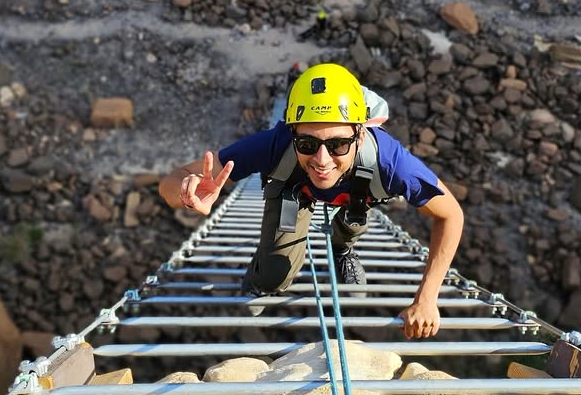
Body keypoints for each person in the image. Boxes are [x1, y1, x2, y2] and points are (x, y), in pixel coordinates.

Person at [158, 63, 464, 339]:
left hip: (355, 192)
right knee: (274, 276)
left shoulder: (390, 163)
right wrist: (188, 193)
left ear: (359, 137)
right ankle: (261, 279)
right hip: (295, 190)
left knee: (354, 216)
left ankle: (342, 249)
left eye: (338, 144)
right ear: (292, 134)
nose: (322, 160)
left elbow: (450, 214)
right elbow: (173, 180)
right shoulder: (274, 145)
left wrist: (427, 298)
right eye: (306, 143)